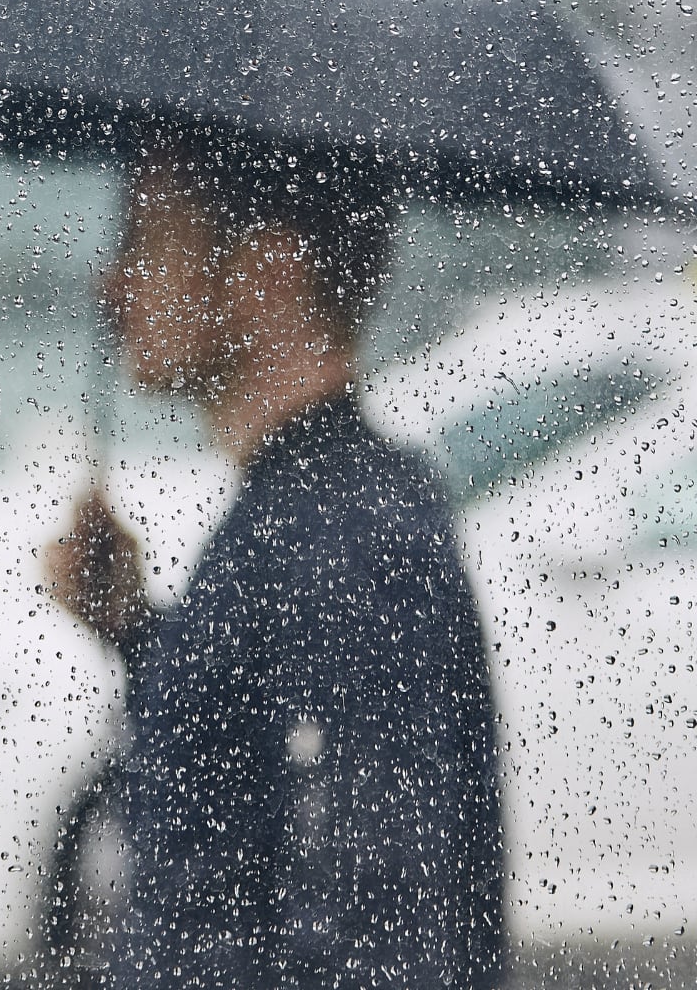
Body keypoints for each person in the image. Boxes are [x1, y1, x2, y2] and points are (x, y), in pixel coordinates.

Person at [42, 133, 506, 989]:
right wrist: (136, 630)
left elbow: (395, 917)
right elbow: (243, 792)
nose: (110, 290)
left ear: (267, 272)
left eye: (147, 240)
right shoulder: (299, 511)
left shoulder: (350, 536)